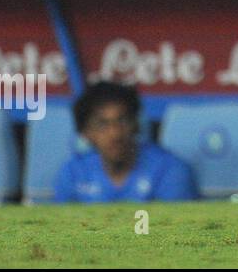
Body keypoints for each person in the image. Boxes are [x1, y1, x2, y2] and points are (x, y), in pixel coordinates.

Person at [53, 82, 197, 203]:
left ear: (136, 125)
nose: (115, 134)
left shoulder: (170, 170)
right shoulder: (72, 173)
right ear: (85, 133)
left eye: (122, 121)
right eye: (102, 124)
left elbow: (175, 233)